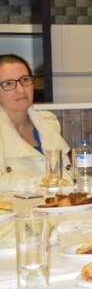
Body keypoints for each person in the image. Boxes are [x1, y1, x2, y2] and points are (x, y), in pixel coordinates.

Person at [0, 54, 70, 192]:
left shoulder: (49, 121)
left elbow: (67, 173)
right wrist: (41, 183)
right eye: (8, 84)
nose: (20, 89)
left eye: (25, 80)